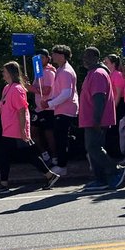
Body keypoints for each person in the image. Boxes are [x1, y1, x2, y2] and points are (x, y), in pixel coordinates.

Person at [0, 61, 58, 195]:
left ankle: (4, 184)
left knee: (12, 155)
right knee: (24, 155)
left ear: (10, 73)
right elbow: (0, 108)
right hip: (9, 130)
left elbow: (22, 110)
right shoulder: (7, 88)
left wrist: (23, 130)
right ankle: (49, 175)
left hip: (16, 130)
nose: (3, 74)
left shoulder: (17, 89)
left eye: (4, 71)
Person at [80, 47, 125, 191]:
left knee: (93, 147)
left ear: (96, 57)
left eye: (88, 56)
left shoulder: (98, 74)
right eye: (84, 56)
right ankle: (100, 179)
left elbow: (99, 98)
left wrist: (96, 120)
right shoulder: (93, 73)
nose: (85, 59)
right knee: (93, 148)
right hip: (91, 119)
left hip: (96, 120)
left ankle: (115, 170)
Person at [45, 45, 78, 177]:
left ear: (61, 56)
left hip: (66, 110)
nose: (52, 56)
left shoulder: (65, 72)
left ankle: (62, 166)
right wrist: (51, 101)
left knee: (61, 139)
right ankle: (61, 164)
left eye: (54, 54)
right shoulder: (61, 70)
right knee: (60, 137)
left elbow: (66, 94)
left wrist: (50, 103)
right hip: (62, 109)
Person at [31, 48, 58, 163]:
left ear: (48, 58)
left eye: (42, 57)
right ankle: (44, 154)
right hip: (39, 108)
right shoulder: (38, 71)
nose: (40, 59)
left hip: (48, 108)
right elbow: (36, 87)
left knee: (49, 133)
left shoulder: (48, 72)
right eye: (38, 57)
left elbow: (46, 91)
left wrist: (29, 88)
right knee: (33, 131)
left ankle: (55, 156)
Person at [104, 53, 125, 161]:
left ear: (113, 64)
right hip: (112, 104)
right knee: (111, 130)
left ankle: (118, 153)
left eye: (107, 62)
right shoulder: (110, 74)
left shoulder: (117, 75)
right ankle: (111, 152)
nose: (105, 64)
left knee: (115, 130)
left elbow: (118, 94)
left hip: (118, 105)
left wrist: (113, 108)